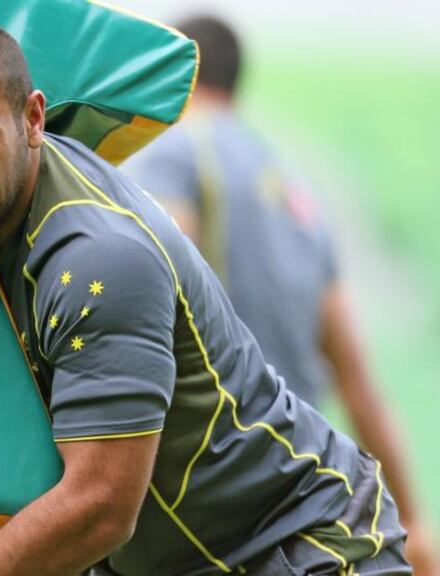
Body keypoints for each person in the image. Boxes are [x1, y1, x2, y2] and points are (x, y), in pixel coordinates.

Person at [0, 13, 409, 575]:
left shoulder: (99, 260)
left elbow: (100, 508)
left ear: (33, 119)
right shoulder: (9, 195)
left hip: (306, 548)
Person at [123, 15, 436, 574]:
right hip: (309, 506)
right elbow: (359, 384)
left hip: (222, 505)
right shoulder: (296, 190)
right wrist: (416, 521)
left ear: (178, 72)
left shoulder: (174, 153)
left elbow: (149, 284)